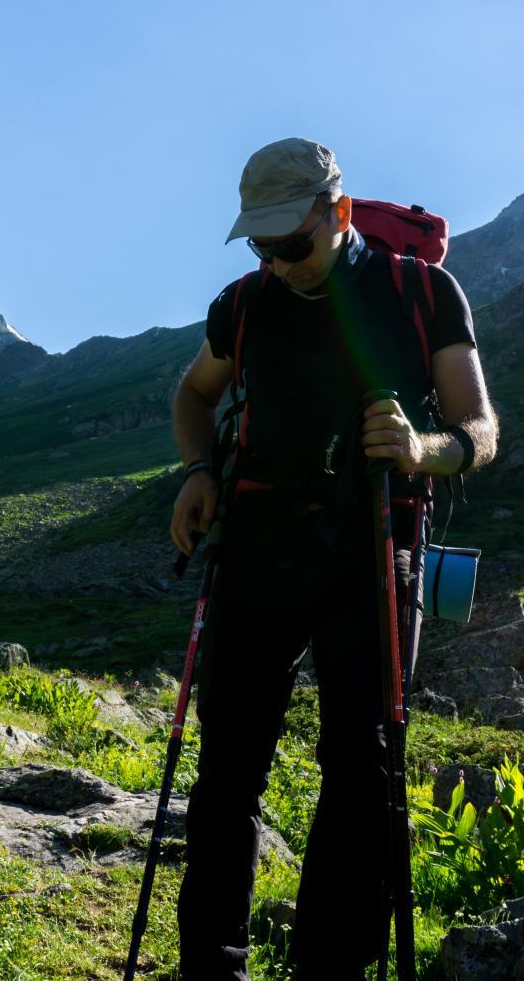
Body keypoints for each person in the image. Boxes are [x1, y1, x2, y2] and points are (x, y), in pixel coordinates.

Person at [168, 138, 498, 980]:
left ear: (339, 214)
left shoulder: (423, 292)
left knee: (361, 772)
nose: (278, 264)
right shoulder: (241, 306)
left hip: (374, 554)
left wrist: (424, 450)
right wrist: (199, 472)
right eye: (262, 247)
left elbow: (481, 429)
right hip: (256, 551)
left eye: (293, 244)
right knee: (227, 770)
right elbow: (193, 393)